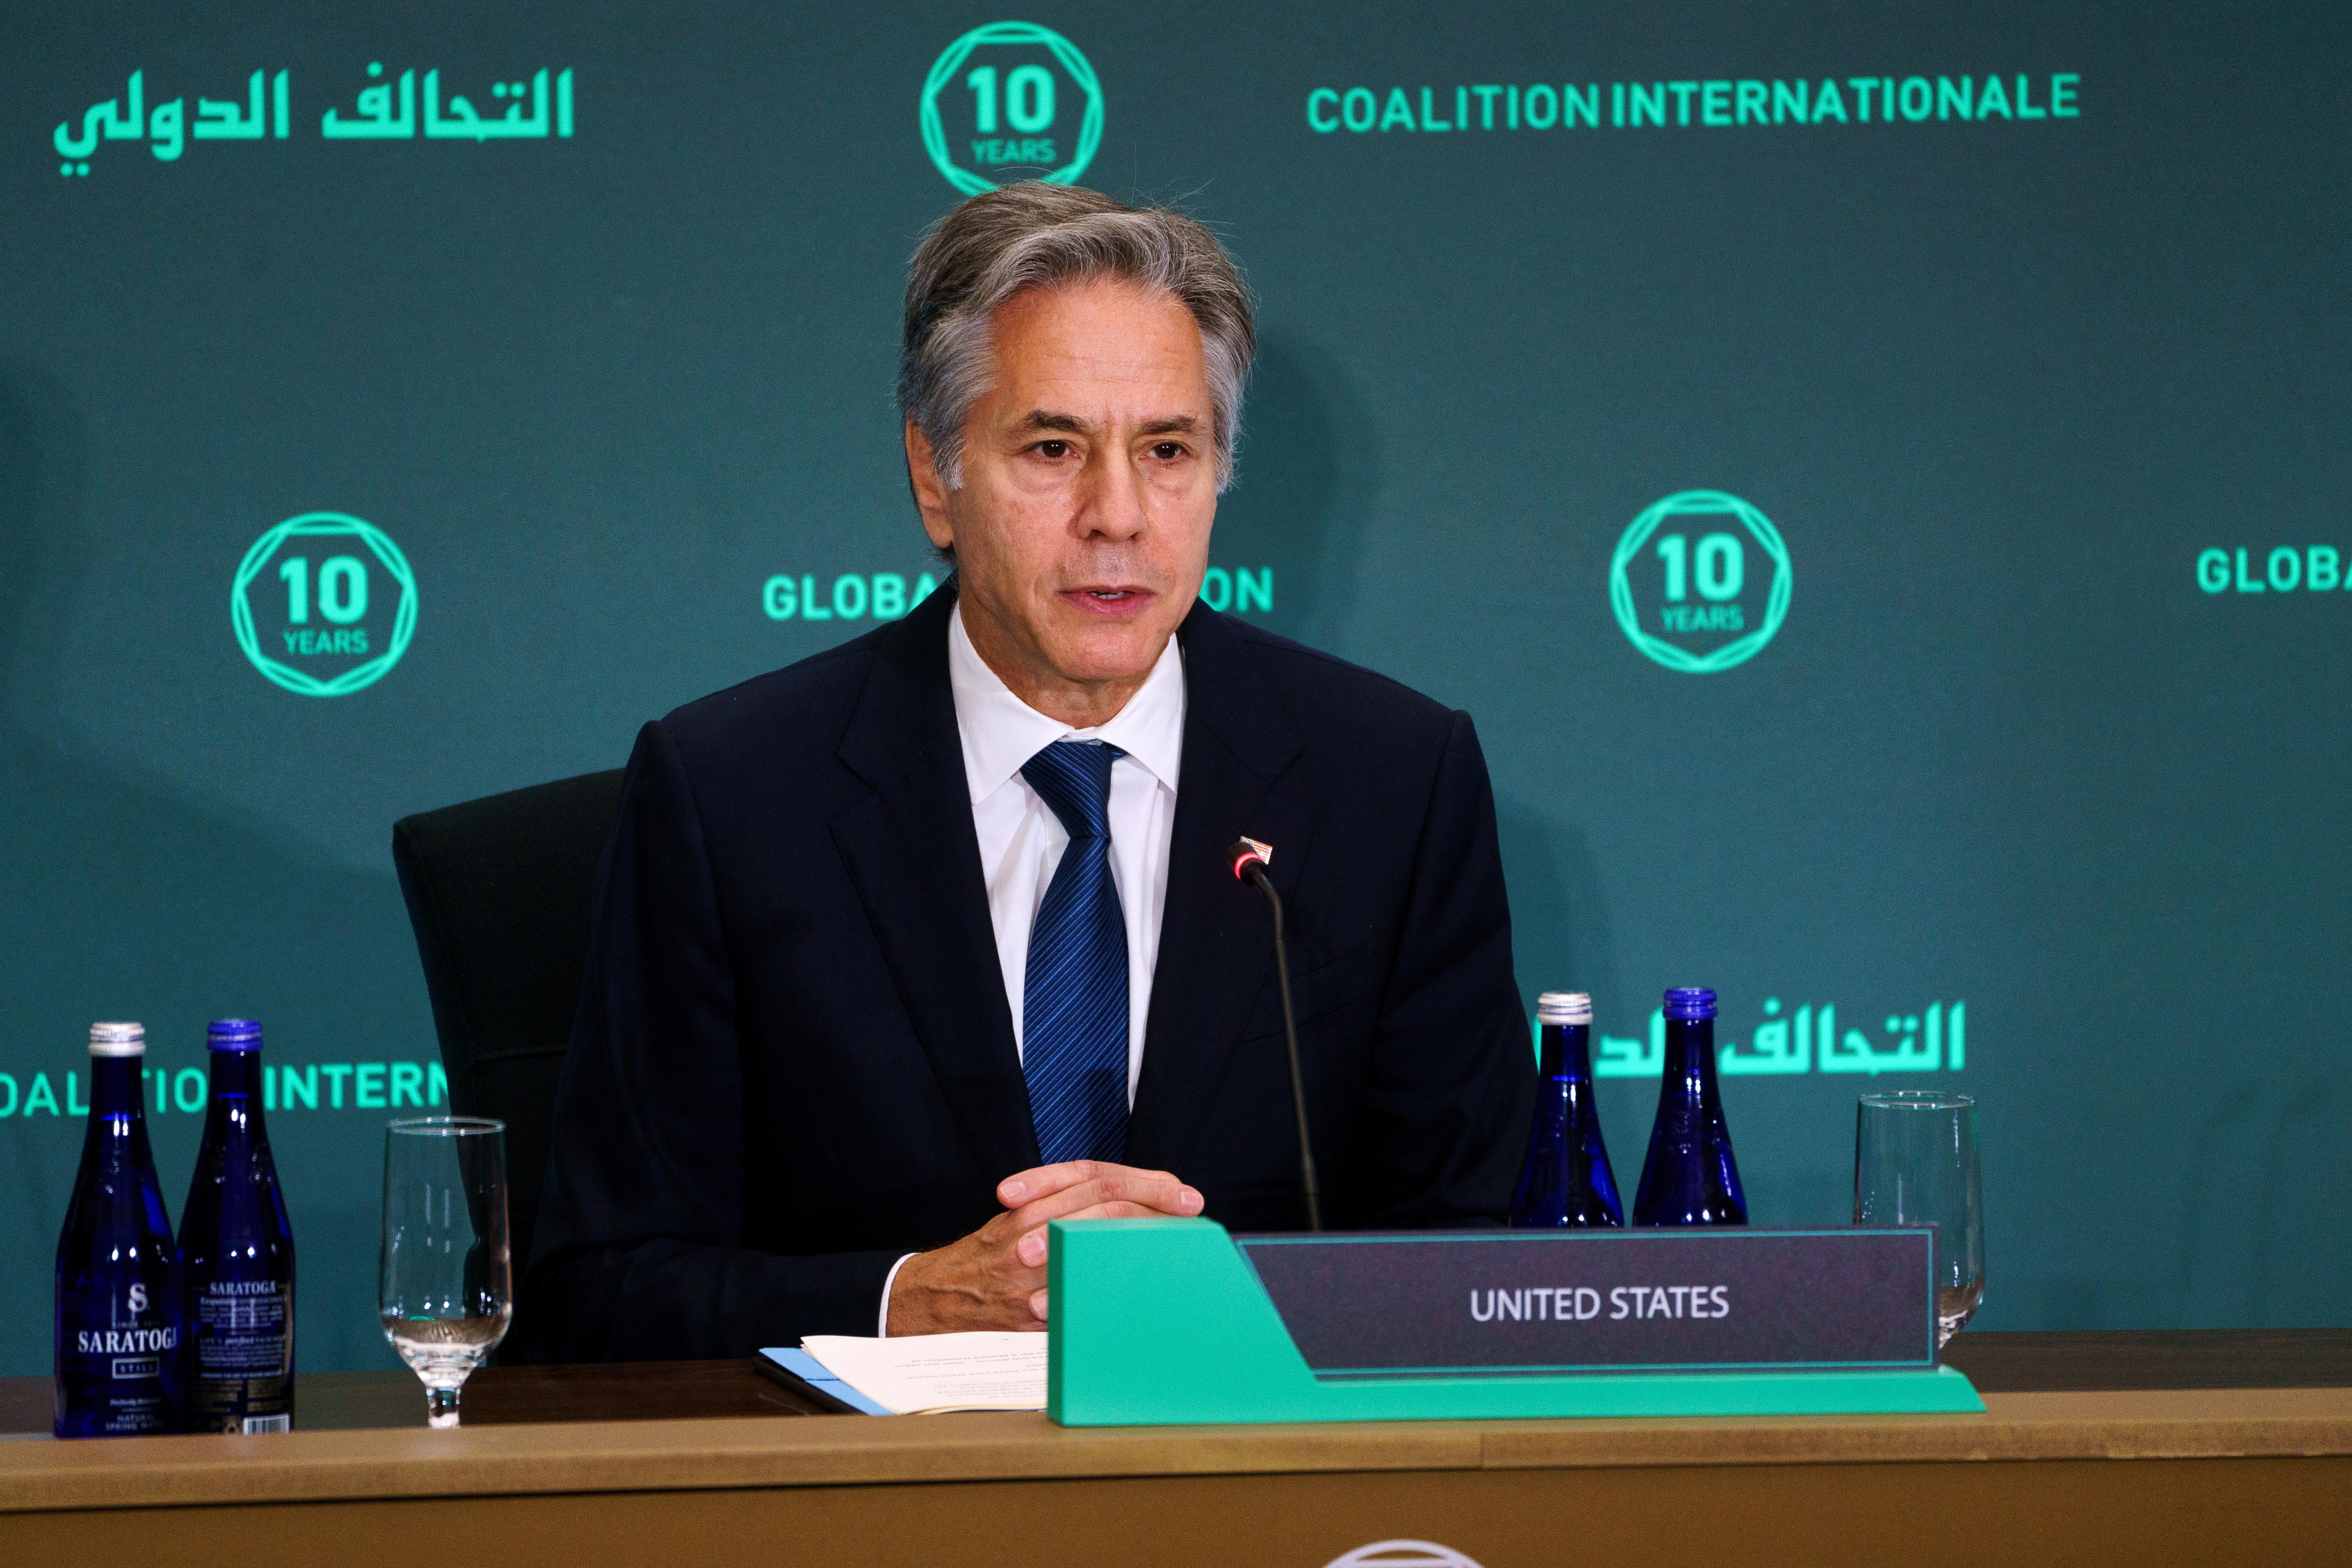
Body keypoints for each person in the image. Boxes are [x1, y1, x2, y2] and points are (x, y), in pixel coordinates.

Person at [522, 183, 1535, 1359]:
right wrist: (906, 1300)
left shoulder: (1390, 783)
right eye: (1053, 448)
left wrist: (1218, 1296)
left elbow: (1481, 1260)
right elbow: (595, 1290)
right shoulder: (733, 792)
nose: (1118, 516)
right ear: (932, 475)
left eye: (1167, 450)